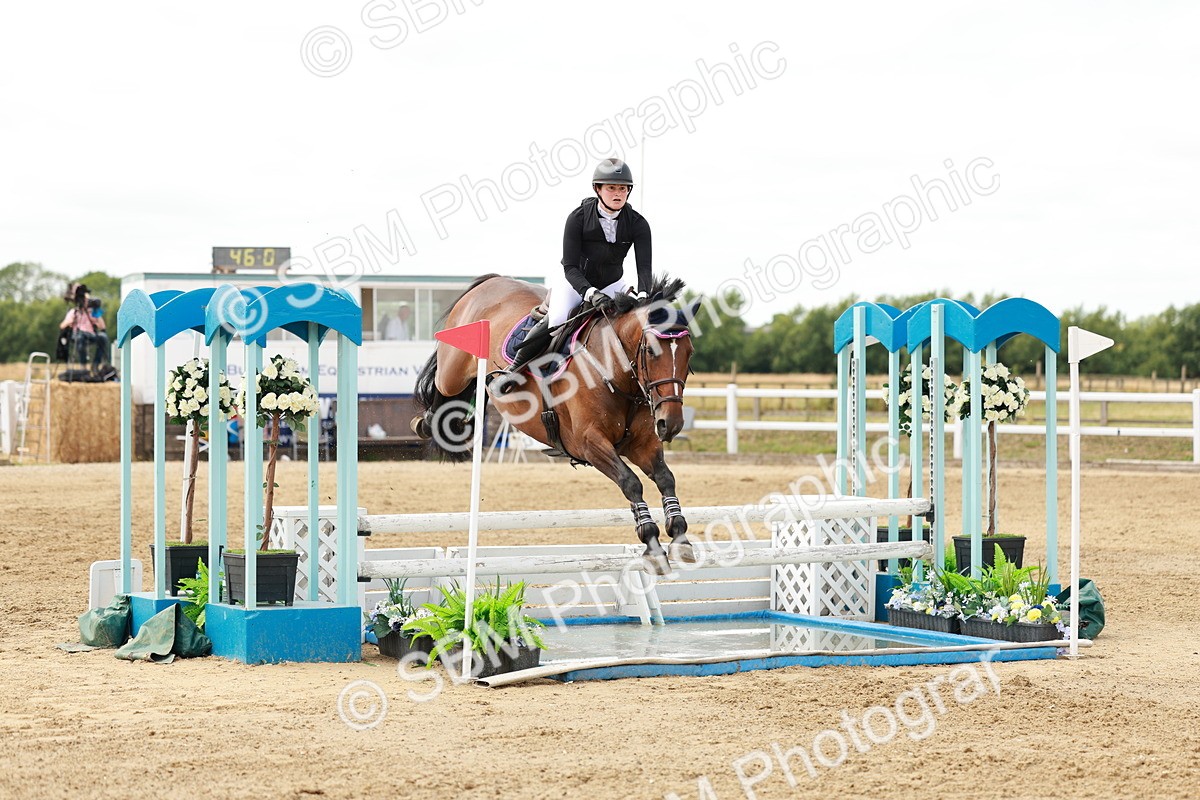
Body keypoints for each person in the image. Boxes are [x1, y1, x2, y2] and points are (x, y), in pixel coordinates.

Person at [505, 158, 652, 375]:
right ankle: (512, 371)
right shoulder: (578, 218)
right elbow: (570, 266)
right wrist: (590, 293)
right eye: (611, 188)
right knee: (557, 319)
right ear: (597, 189)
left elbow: (644, 268)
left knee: (634, 321)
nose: (618, 194)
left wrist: (644, 295)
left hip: (613, 282)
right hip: (574, 281)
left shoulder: (639, 224)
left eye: (623, 188)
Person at [59, 285, 110, 371]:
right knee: (80, 337)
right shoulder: (74, 312)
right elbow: (62, 325)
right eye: (85, 299)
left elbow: (102, 327)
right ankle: (83, 367)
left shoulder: (92, 312)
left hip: (90, 334)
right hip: (78, 335)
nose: (86, 301)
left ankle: (96, 364)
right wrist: (71, 321)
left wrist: (97, 312)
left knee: (103, 337)